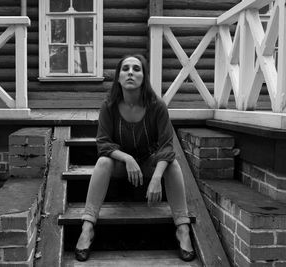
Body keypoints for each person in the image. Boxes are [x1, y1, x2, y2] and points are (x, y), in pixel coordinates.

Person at [74, 54, 196, 262]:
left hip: (149, 162)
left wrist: (157, 177)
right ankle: (87, 226)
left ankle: (182, 228)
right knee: (103, 162)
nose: (131, 72)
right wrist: (127, 159)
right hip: (121, 166)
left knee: (173, 165)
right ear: (118, 77)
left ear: (144, 76)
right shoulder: (109, 106)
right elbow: (103, 143)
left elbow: (167, 145)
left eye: (137, 69)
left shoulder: (157, 106)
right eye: (126, 68)